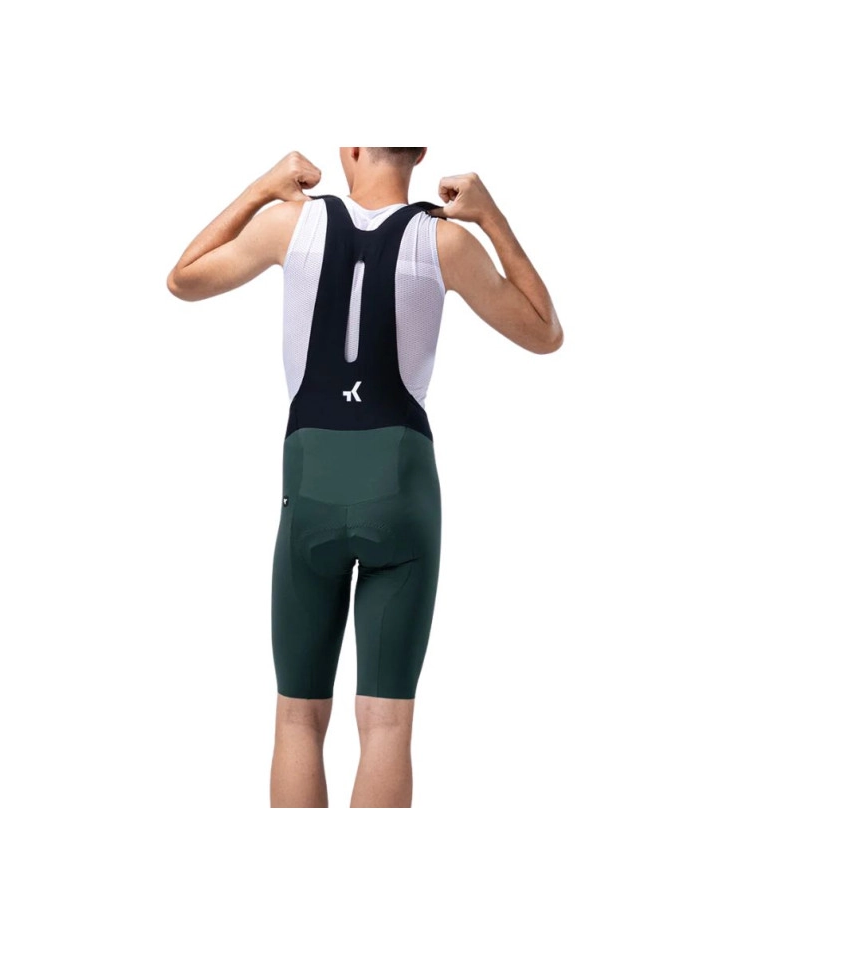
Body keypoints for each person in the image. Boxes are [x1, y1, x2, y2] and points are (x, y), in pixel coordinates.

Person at [167, 147, 563, 808]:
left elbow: (183, 277)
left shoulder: (289, 224)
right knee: (386, 726)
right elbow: (546, 332)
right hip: (401, 488)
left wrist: (263, 188)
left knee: (297, 719)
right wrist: (491, 219)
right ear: (420, 153)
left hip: (311, 485)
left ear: (350, 149)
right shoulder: (446, 242)